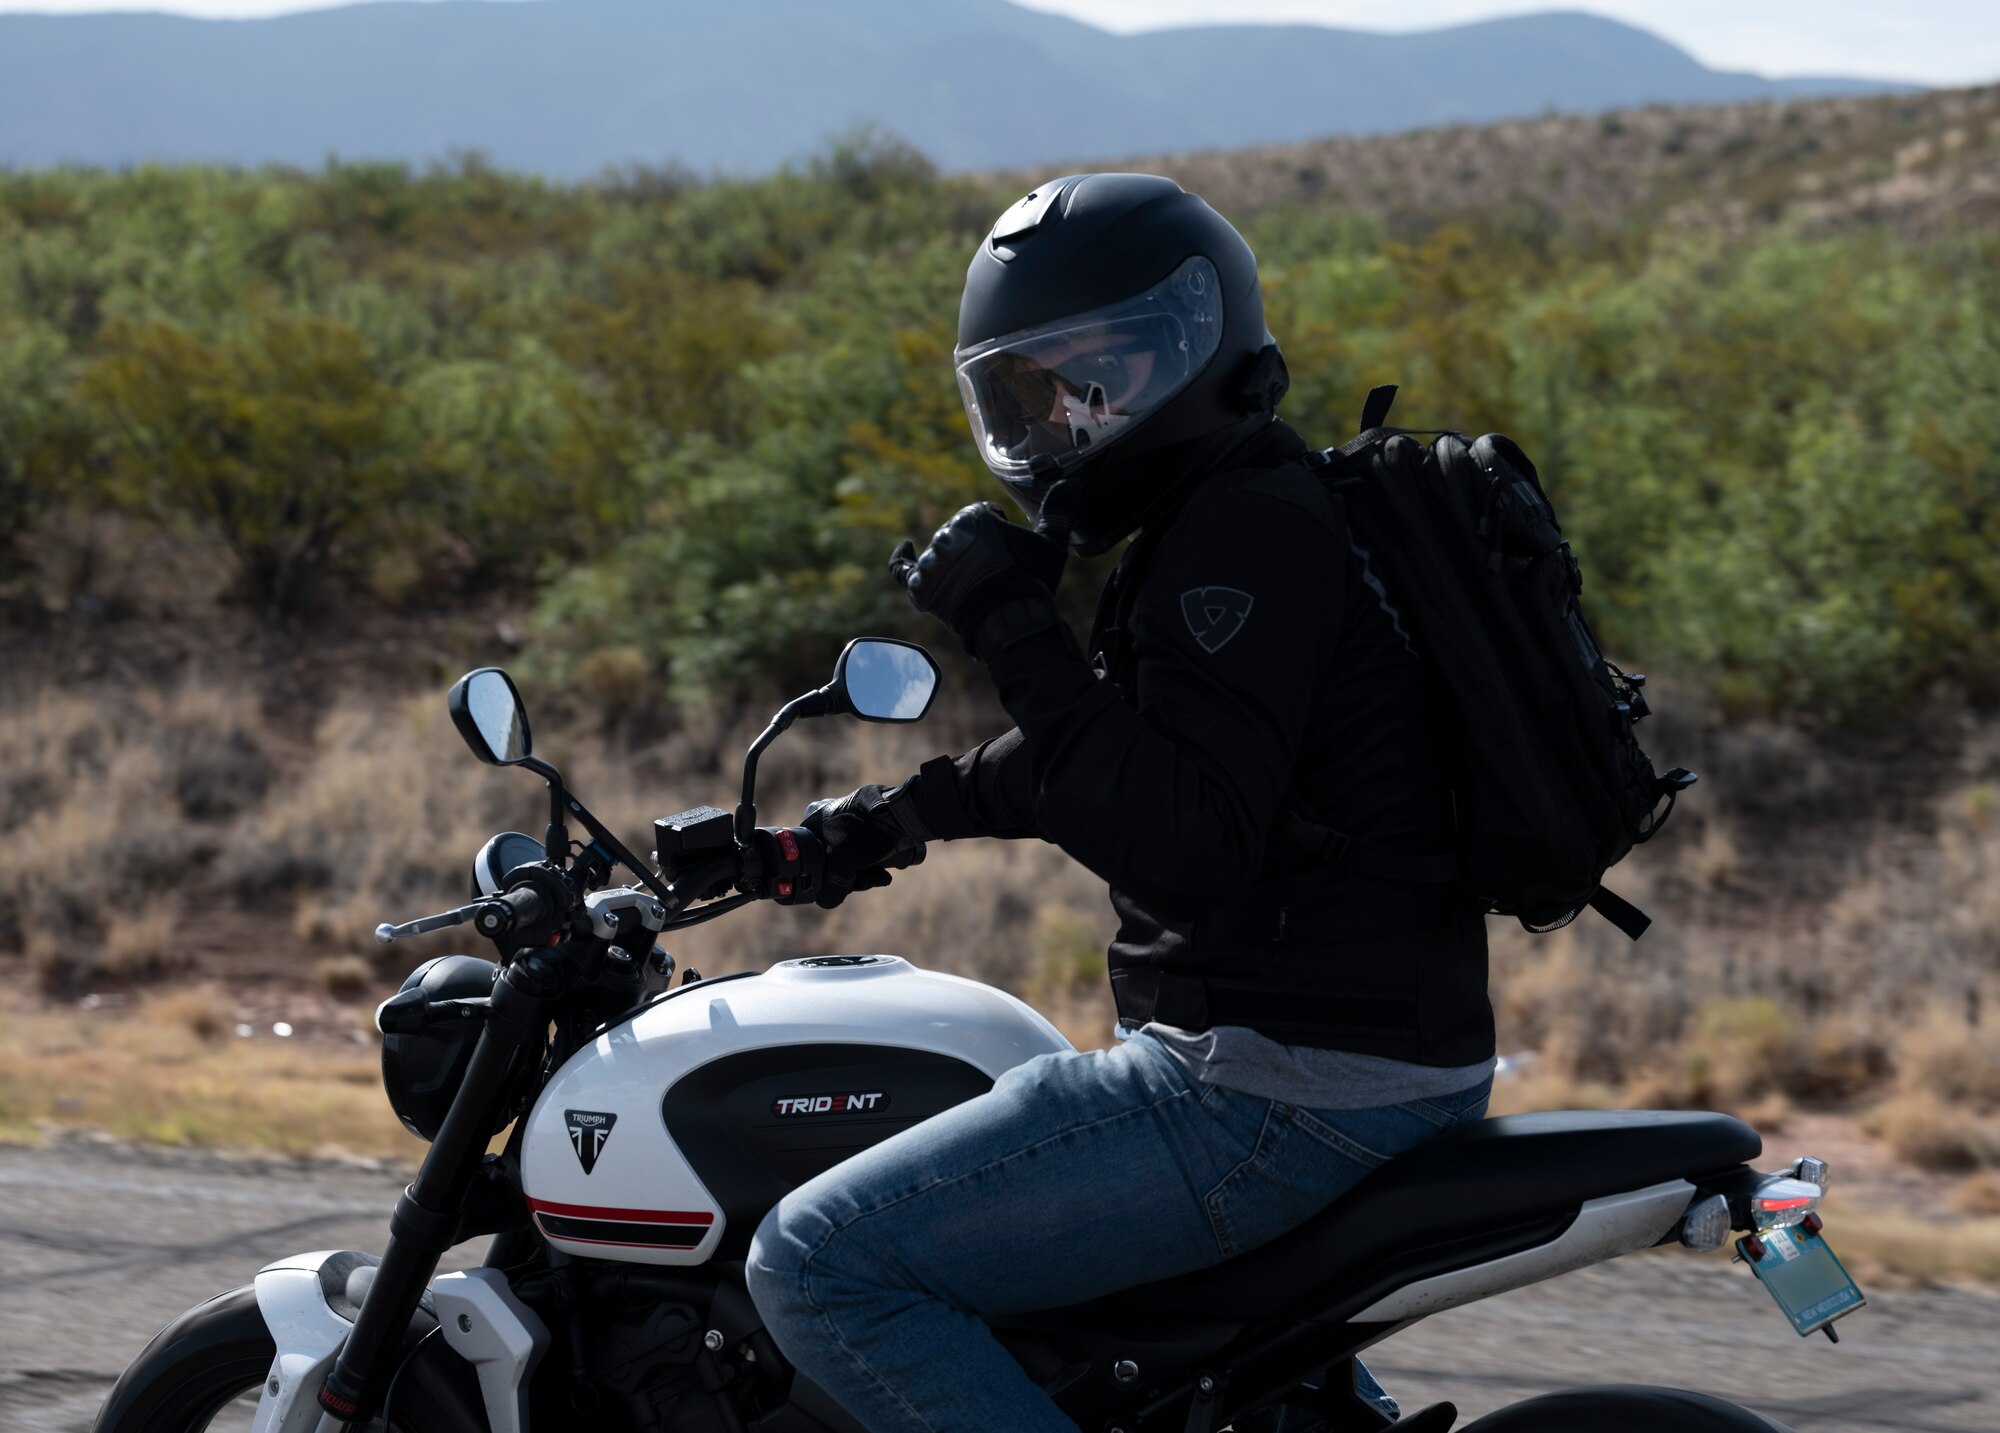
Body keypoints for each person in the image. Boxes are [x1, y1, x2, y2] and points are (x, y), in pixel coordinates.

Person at [746, 173, 1494, 1433]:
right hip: (1352, 1052)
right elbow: (1117, 758)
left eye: (1104, 374)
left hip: (1268, 1087)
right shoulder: (1247, 512)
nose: (1067, 419)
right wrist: (887, 819)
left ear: (1198, 343)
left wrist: (1009, 623)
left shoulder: (1239, 537)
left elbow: (1182, 834)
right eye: (1033, 390)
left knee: (821, 1261)